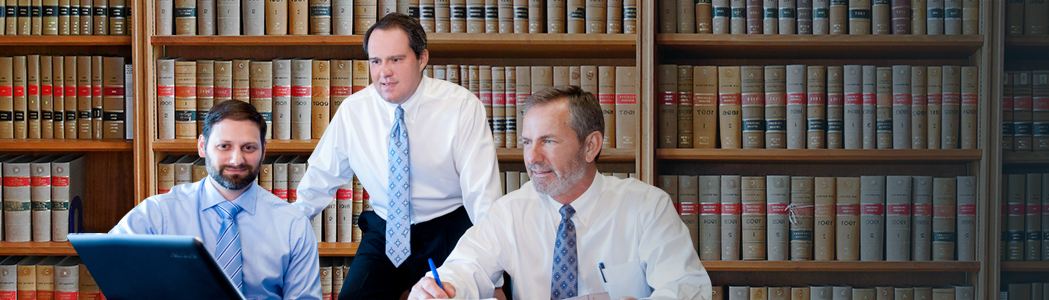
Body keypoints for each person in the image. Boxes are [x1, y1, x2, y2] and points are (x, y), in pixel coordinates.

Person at [408, 86, 712, 300]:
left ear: (591, 145)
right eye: (527, 142)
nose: (532, 157)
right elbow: (467, 266)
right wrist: (442, 287)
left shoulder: (647, 207)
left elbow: (688, 289)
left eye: (548, 142)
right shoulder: (511, 211)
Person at [293, 12, 503, 299]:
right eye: (376, 61)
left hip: (448, 229)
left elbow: (483, 196)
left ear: (422, 58)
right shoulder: (355, 110)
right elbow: (320, 177)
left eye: (396, 59)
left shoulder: (461, 107)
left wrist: (495, 279)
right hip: (385, 230)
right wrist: (286, 229)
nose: (384, 72)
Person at [110, 100, 321, 300]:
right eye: (224, 146)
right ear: (202, 146)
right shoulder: (157, 214)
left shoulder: (293, 225)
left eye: (249, 147)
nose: (236, 159)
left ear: (263, 150)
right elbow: (109, 264)